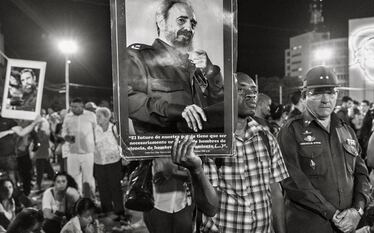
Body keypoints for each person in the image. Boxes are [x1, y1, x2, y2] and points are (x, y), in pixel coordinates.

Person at [278, 66, 370, 233]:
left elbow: (362, 173)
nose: (326, 99)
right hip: (311, 226)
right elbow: (293, 180)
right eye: (318, 93)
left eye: (331, 92)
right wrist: (332, 213)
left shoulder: (346, 130)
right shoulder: (291, 131)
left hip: (349, 225)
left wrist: (358, 210)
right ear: (304, 96)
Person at [200, 72, 289, 233]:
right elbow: (206, 201)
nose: (251, 95)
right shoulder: (212, 141)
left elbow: (275, 192)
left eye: (254, 91)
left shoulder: (266, 138)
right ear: (223, 95)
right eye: (241, 90)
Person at [126, 0, 224, 134]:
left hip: (200, 150)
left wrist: (211, 72)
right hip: (161, 151)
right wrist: (178, 111)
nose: (189, 28)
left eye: (193, 23)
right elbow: (130, 101)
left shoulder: (195, 67)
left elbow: (220, 107)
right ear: (161, 22)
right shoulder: (138, 56)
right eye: (181, 20)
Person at [62, 98, 97, 198]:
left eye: (76, 107)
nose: (73, 109)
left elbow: (96, 131)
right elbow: (64, 131)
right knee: (73, 177)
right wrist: (66, 136)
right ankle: (76, 199)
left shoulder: (90, 116)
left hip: (88, 152)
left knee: (88, 178)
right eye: (72, 106)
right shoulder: (68, 117)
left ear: (82, 106)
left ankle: (90, 199)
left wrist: (96, 145)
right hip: (73, 152)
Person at [93, 107, 124, 217]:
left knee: (115, 186)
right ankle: (107, 210)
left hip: (114, 162)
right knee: (102, 187)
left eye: (99, 116)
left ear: (107, 118)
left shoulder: (114, 129)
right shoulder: (94, 129)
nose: (97, 119)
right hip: (99, 162)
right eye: (96, 116)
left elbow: (121, 143)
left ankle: (119, 210)